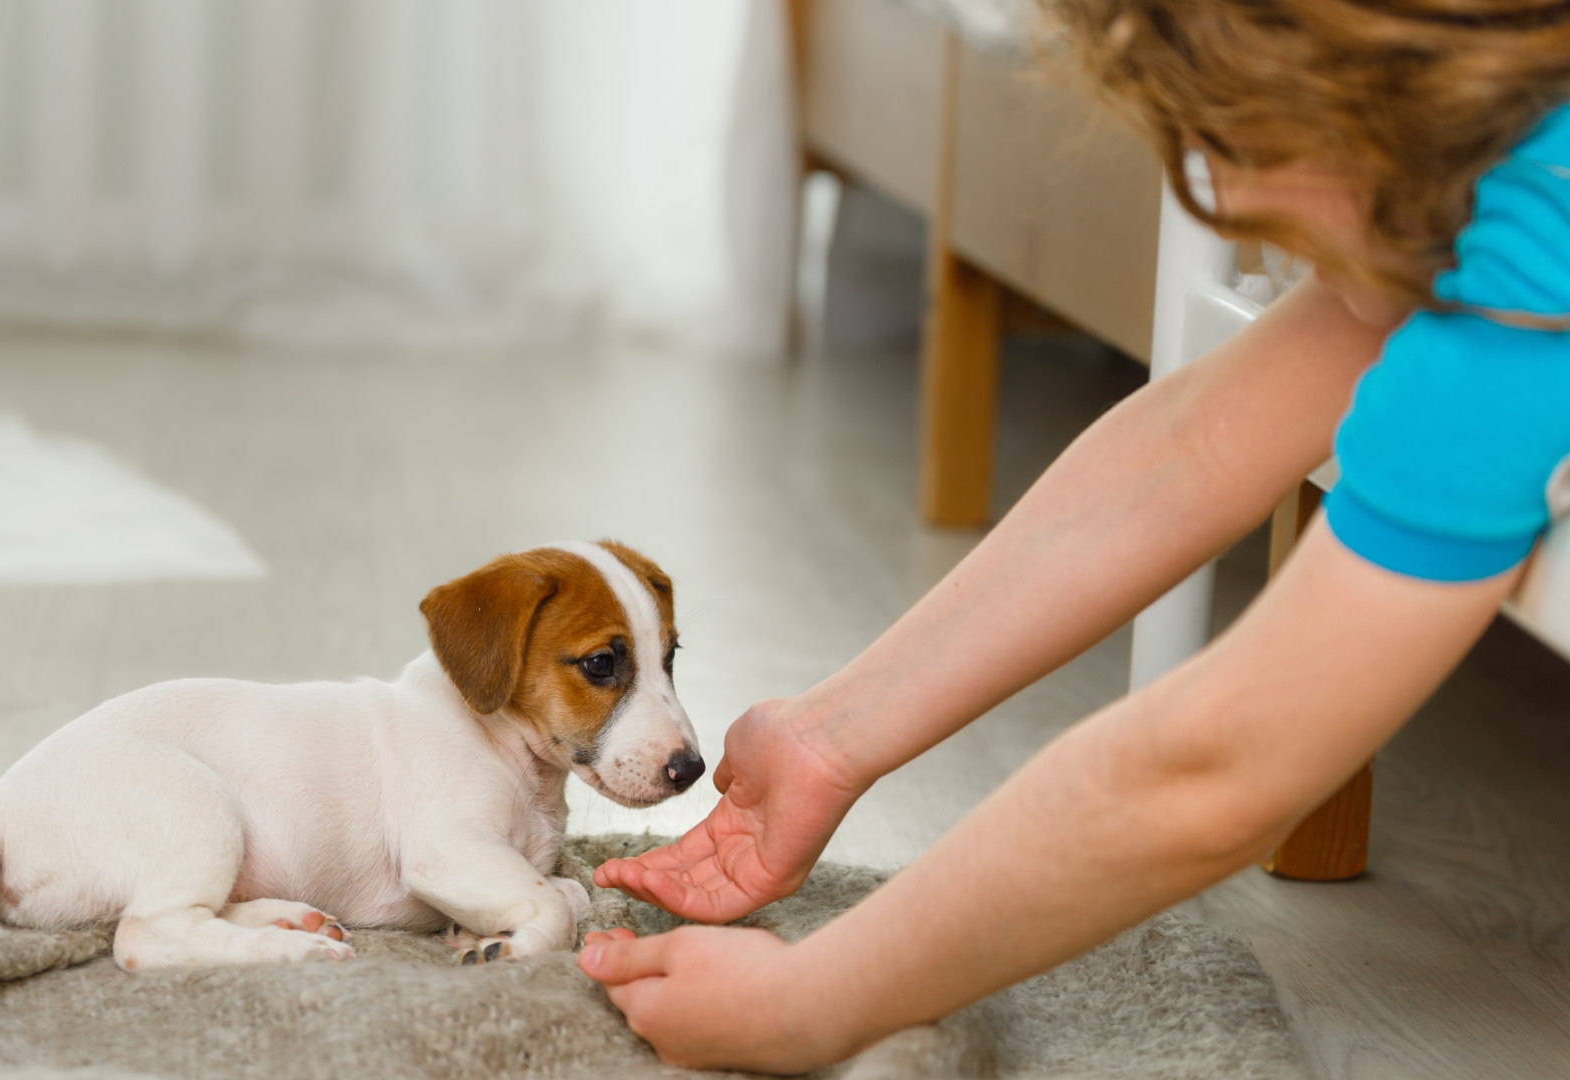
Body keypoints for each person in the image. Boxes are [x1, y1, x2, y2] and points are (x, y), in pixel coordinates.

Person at [575, 1, 1570, 1072]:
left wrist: (811, 998)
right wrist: (831, 737)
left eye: (1227, 139)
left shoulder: (1533, 254)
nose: (1216, 191)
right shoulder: (1486, 156)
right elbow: (1194, 446)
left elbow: (1217, 765)